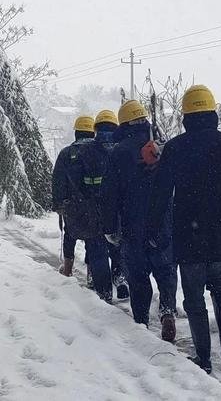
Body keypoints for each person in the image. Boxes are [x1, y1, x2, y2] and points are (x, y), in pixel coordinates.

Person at [147, 85, 221, 374]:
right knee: (219, 283)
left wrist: (153, 227)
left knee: (194, 295)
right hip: (220, 232)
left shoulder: (175, 148)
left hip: (188, 233)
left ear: (186, 115)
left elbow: (159, 194)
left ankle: (204, 358)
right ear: (213, 112)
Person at [108, 100, 178, 341]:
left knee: (138, 277)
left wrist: (110, 228)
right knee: (165, 269)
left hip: (133, 224)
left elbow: (110, 193)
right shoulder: (162, 147)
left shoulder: (118, 152)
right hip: (163, 222)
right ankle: (168, 310)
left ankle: (141, 322)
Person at [52, 115, 113, 302]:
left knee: (70, 235)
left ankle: (68, 269)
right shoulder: (101, 151)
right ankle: (101, 286)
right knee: (96, 245)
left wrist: (59, 204)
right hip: (97, 208)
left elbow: (58, 182)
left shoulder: (66, 154)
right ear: (92, 132)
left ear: (76, 132)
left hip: (74, 210)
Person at [93, 109, 129, 300]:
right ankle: (120, 277)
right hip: (119, 210)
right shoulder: (121, 149)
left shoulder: (87, 150)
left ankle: (104, 291)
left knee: (98, 250)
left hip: (93, 209)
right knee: (117, 247)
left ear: (96, 129)